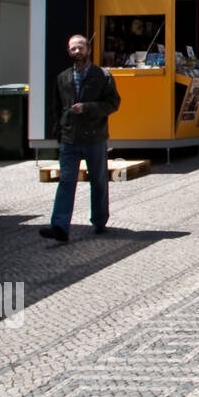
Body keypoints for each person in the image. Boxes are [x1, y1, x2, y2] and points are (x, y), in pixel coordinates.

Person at [40, 34, 121, 243]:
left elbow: (113, 104)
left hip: (95, 137)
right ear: (69, 52)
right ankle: (59, 226)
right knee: (66, 181)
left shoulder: (102, 76)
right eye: (73, 49)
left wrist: (87, 108)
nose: (77, 52)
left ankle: (100, 220)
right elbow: (56, 108)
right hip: (70, 138)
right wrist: (58, 132)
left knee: (99, 181)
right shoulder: (63, 77)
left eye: (80, 48)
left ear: (88, 50)